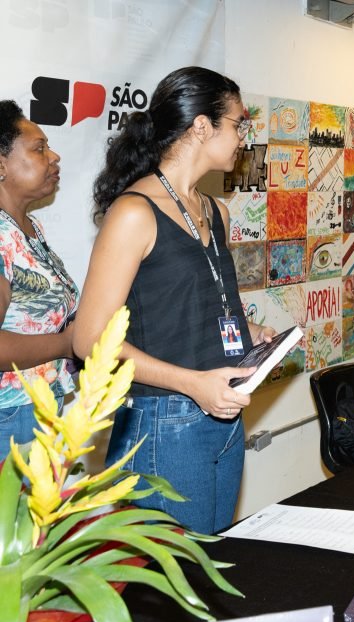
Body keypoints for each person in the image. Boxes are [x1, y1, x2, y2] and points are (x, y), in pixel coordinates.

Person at [74, 67, 275, 534]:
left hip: (224, 416)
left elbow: (203, 305)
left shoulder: (215, 210)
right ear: (201, 127)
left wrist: (254, 334)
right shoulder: (133, 213)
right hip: (163, 421)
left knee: (211, 569)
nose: (244, 136)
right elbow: (89, 340)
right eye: (238, 123)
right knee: (176, 592)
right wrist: (192, 382)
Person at [0, 100, 78, 448]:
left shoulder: (30, 229)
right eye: (40, 148)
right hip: (10, 417)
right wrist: (68, 343)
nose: (54, 156)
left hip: (39, 408)